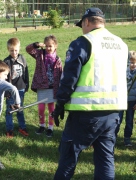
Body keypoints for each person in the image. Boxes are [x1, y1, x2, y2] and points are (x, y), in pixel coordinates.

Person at [52, 7, 128, 180]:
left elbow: (69, 78)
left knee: (68, 158)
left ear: (87, 22)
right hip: (114, 112)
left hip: (86, 112)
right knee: (105, 159)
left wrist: (60, 104)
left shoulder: (84, 42)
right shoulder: (121, 44)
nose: (82, 29)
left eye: (82, 25)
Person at [26, 35, 62, 137]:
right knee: (41, 108)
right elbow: (28, 49)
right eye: (46, 46)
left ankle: (50, 127)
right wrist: (36, 44)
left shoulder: (58, 59)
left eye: (50, 46)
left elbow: (60, 73)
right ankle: (41, 125)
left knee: (51, 109)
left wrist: (60, 87)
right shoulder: (39, 54)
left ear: (55, 46)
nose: (48, 48)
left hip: (52, 87)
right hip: (42, 86)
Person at [4, 37, 29, 137]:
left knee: (19, 109)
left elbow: (26, 71)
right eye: (11, 50)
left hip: (21, 88)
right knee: (10, 110)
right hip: (10, 91)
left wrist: (26, 84)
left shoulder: (22, 58)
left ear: (19, 48)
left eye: (16, 50)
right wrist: (6, 92)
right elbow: (3, 79)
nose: (14, 52)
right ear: (8, 49)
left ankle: (22, 127)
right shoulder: (6, 62)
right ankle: (9, 129)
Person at [115, 50, 136, 146]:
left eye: (135, 62)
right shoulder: (121, 72)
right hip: (121, 100)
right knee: (117, 120)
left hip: (132, 101)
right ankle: (113, 136)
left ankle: (127, 138)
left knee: (129, 120)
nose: (133, 64)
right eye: (131, 62)